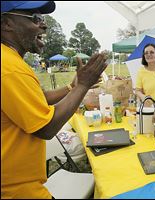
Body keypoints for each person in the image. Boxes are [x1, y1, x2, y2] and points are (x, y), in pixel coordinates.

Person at [1, 1, 108, 198]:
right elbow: (46, 128)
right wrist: (83, 86)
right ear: (7, 23)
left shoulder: (10, 60)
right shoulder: (9, 68)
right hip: (17, 191)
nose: (43, 25)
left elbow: (38, 99)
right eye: (35, 18)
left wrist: (72, 88)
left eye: (43, 19)